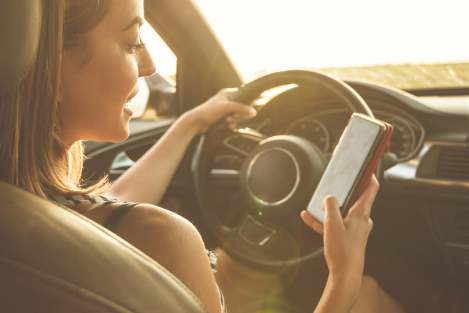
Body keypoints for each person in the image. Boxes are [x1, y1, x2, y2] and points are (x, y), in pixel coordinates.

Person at [0, 0, 404, 312]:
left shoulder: (24, 213)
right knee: (369, 298)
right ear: (49, 65)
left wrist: (189, 124)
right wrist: (343, 280)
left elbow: (104, 219)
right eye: (130, 43)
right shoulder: (165, 239)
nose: (150, 64)